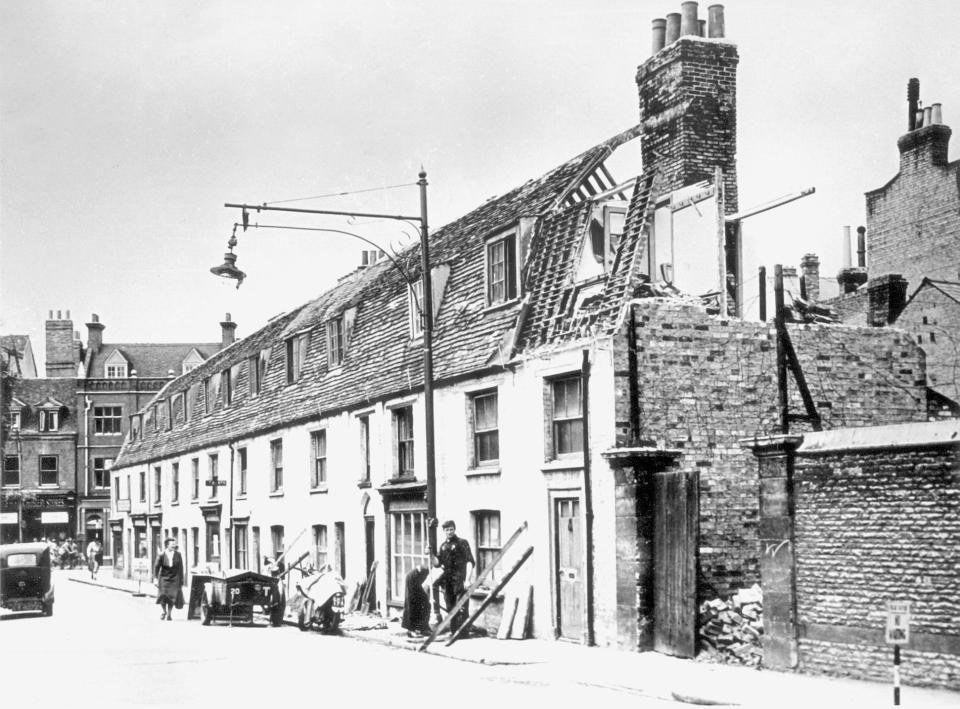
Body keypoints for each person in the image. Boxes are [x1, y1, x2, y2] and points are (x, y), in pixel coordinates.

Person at [430, 520, 474, 634]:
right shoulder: (443, 546)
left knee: (461, 607)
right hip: (447, 581)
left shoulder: (462, 543)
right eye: (447, 530)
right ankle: (454, 632)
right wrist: (430, 554)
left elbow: (470, 562)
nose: (449, 532)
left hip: (460, 579)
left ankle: (463, 633)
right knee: (450, 607)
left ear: (454, 529)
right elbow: (437, 563)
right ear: (443, 531)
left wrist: (468, 579)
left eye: (451, 529)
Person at [153, 537, 184, 621]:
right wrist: (155, 579)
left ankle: (169, 614)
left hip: (174, 578)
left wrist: (181, 580)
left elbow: (181, 568)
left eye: (174, 544)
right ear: (167, 545)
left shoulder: (178, 554)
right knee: (163, 596)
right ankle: (164, 611)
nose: (174, 546)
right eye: (172, 544)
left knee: (172, 597)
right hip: (163, 577)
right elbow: (156, 567)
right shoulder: (162, 555)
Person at [400, 562, 432, 637]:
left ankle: (423, 628)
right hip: (413, 578)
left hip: (416, 577)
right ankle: (411, 630)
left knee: (426, 603)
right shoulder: (433, 567)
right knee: (413, 603)